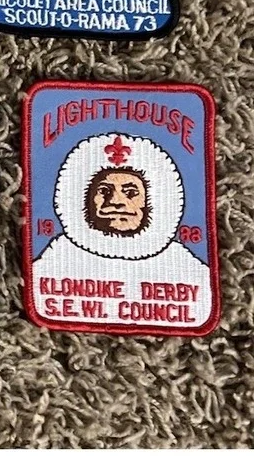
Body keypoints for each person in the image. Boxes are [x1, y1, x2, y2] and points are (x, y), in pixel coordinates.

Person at [32, 132, 211, 325]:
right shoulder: (52, 264)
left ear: (153, 201)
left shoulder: (187, 270)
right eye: (104, 191)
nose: (116, 201)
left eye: (131, 192)